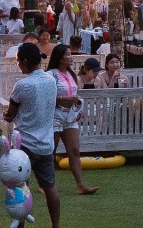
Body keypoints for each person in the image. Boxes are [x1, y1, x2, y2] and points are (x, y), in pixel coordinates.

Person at [6, 42, 62, 228]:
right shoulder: (51, 80)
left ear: (24, 61)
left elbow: (11, 113)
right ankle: (56, 225)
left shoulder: (22, 85)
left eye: (17, 61)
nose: (17, 65)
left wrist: (6, 116)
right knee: (50, 187)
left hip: (25, 145)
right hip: (46, 143)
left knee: (20, 188)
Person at [49, 45, 98, 196]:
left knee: (74, 150)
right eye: (68, 54)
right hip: (55, 115)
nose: (71, 57)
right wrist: (65, 99)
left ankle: (81, 185)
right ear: (60, 58)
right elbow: (47, 97)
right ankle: (46, 184)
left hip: (70, 116)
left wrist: (77, 106)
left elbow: (75, 93)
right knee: (51, 151)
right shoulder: (50, 75)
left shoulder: (71, 74)